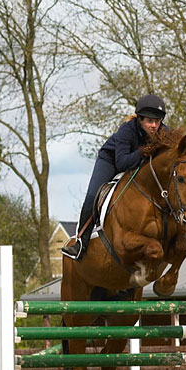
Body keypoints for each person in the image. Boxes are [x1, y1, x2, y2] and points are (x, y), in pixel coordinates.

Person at [61, 94, 168, 260]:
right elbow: (122, 163)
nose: (154, 126)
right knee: (93, 196)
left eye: (157, 121)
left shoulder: (163, 132)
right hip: (111, 161)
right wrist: (142, 152)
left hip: (139, 165)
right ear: (140, 119)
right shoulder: (127, 130)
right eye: (149, 121)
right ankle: (80, 242)